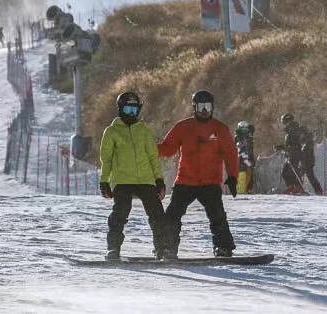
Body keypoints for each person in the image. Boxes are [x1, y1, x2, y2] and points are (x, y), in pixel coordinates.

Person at [158, 90, 239, 258]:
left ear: (212, 108)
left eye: (208, 107)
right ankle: (166, 248)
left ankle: (223, 248)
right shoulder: (183, 127)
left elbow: (231, 154)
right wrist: (149, 148)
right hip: (185, 181)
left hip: (210, 183)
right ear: (194, 107)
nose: (204, 111)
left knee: (217, 216)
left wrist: (232, 176)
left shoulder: (220, 129)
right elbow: (168, 148)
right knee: (172, 215)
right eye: (201, 107)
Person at [99, 91, 167, 261]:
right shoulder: (112, 131)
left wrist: (159, 180)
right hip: (123, 180)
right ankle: (113, 248)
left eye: (135, 110)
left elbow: (153, 157)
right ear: (120, 109)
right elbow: (106, 160)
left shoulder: (143, 131)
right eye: (128, 110)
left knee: (157, 214)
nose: (132, 114)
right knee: (120, 213)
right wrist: (104, 181)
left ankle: (163, 248)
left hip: (145, 180)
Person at [274, 113, 306, 195]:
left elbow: (295, 144)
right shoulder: (289, 130)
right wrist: (282, 147)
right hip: (290, 152)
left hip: (295, 153)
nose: (283, 124)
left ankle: (298, 187)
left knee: (292, 171)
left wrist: (284, 148)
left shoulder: (293, 129)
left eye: (284, 121)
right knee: (285, 171)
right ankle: (291, 187)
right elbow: (290, 144)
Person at [299, 123, 324, 195]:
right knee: (305, 175)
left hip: (308, 161)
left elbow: (306, 152)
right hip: (307, 161)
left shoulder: (307, 141)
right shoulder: (306, 140)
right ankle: (318, 190)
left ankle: (318, 190)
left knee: (309, 176)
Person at [234, 121, 256, 194]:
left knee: (249, 172)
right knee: (243, 172)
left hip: (247, 156)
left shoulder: (249, 134)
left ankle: (247, 188)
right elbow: (237, 145)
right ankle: (243, 188)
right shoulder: (239, 135)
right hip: (243, 156)